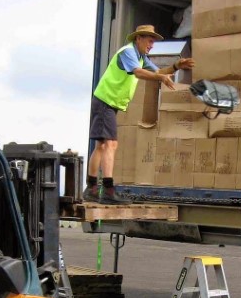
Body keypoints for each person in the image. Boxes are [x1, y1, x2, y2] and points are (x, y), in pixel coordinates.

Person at [83, 25, 195, 204]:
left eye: (153, 42)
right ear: (139, 39)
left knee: (102, 146)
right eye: (150, 41)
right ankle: (108, 191)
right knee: (110, 144)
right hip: (105, 100)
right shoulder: (129, 53)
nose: (152, 45)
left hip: (108, 102)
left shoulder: (141, 57)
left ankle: (91, 188)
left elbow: (158, 72)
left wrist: (176, 66)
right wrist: (161, 78)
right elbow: (138, 73)